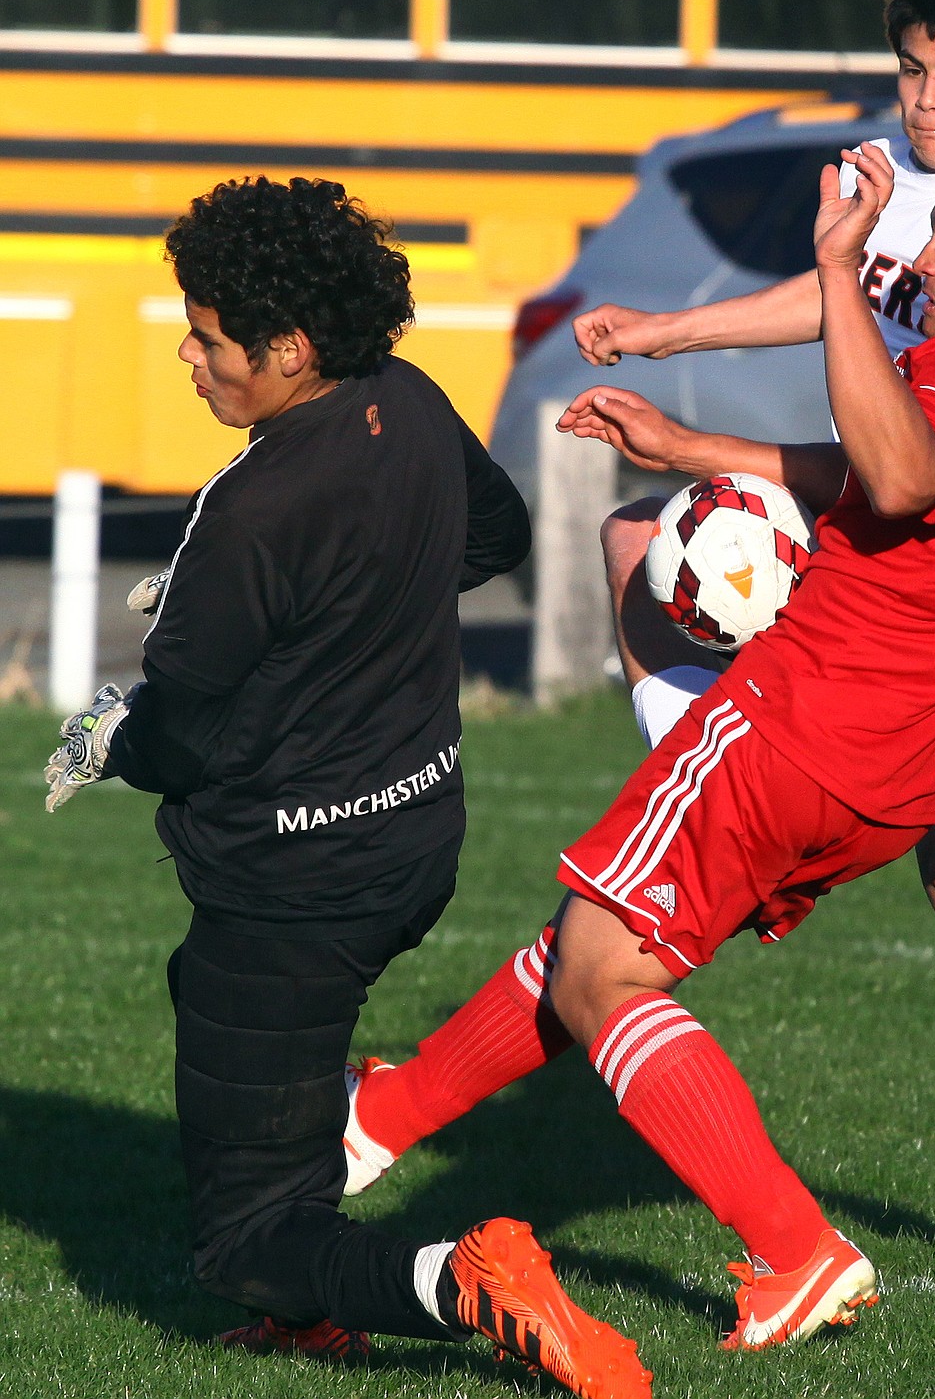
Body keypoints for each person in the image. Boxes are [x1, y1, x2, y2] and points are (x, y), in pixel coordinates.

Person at [342, 132, 935, 1347]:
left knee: (607, 964)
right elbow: (897, 481)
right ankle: (378, 1117)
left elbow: (903, 472)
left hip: (809, 722)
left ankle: (796, 1249)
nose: (927, 250)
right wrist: (695, 448)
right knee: (608, 923)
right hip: (913, 763)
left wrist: (839, 264)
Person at [567, 0, 935, 1317]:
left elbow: (904, 459)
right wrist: (673, 332)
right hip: (877, 561)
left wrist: (701, 419)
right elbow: (840, 307)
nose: (927, 102)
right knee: (640, 537)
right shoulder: (918, 216)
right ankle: (722, 797)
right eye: (913, 72)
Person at [43, 174, 651, 1399]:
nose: (189, 354)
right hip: (414, 840)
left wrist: (114, 734)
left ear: (288, 347)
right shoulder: (405, 397)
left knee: (244, 1239)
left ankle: (466, 1278)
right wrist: (358, 601)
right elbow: (495, 537)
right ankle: (316, 1326)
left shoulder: (251, 508)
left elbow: (189, 738)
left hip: (290, 886)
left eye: (209, 337)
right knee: (254, 1054)